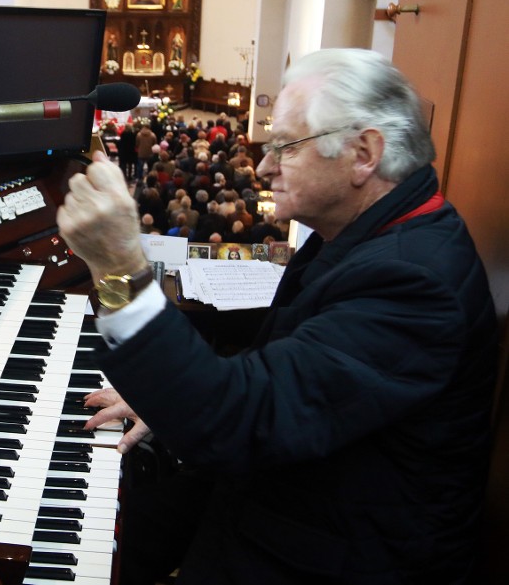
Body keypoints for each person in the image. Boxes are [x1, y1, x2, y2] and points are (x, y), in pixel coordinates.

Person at [56, 48, 497, 584]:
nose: (264, 166)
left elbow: (239, 421)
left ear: (364, 153)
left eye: (286, 147)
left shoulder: (416, 282)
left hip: (334, 555)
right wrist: (173, 394)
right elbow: (292, 363)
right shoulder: (367, 232)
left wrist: (116, 266)